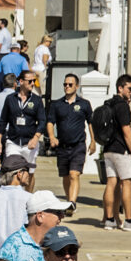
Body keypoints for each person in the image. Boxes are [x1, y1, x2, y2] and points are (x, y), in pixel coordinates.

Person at [101, 74, 131, 232]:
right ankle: (129, 221)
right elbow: (126, 131)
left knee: (111, 183)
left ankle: (109, 219)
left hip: (107, 149)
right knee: (127, 183)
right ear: (120, 88)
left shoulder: (109, 103)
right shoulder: (122, 106)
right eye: (129, 88)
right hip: (121, 150)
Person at [46, 74, 95, 216]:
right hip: (62, 146)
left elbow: (90, 123)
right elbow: (50, 122)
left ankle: (72, 202)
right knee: (66, 176)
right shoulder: (56, 104)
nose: (67, 87)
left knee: (74, 174)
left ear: (77, 86)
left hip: (78, 145)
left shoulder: (84, 104)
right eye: (65, 84)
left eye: (70, 84)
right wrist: (51, 137)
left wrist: (93, 141)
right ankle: (69, 201)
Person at [0, 191, 70, 261]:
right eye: (58, 212)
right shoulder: (12, 247)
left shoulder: (59, 243)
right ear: (40, 216)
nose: (62, 216)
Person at [0, 71, 46, 193]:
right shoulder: (10, 99)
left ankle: (27, 198)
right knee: (12, 171)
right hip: (13, 141)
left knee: (29, 174)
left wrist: (36, 138)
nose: (33, 83)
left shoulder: (37, 100)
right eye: (30, 81)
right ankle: (12, 197)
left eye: (34, 81)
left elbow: (42, 121)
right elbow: (3, 120)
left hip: (29, 143)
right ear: (21, 82)